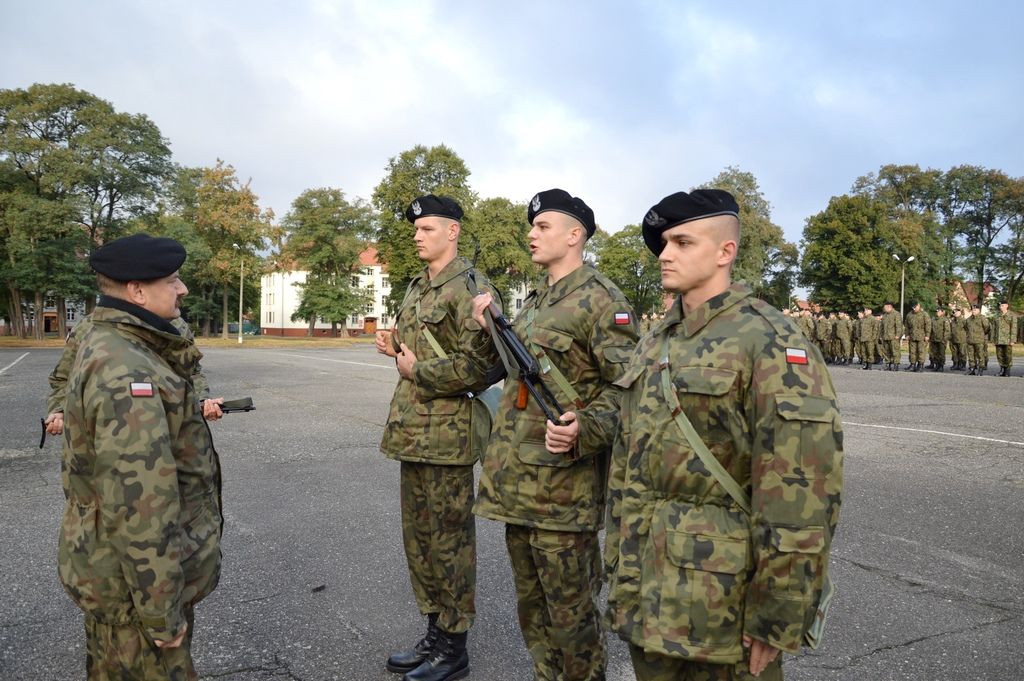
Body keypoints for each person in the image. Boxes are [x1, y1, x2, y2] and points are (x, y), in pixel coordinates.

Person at [605, 189, 843, 680]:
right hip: (647, 591)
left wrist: (778, 613)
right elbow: (630, 465)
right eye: (664, 243)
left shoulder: (770, 340)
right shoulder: (656, 341)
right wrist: (619, 566)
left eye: (682, 242)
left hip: (720, 609)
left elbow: (802, 494)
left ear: (724, 252)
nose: (665, 254)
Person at [471, 188, 638, 681]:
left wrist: (586, 428)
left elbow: (629, 390)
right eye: (532, 226)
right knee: (534, 610)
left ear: (575, 235)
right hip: (518, 486)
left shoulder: (603, 300)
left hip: (565, 494)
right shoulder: (535, 301)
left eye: (543, 226)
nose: (531, 233)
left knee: (574, 617)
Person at [58, 233, 223, 680]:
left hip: (115, 577)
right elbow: (140, 506)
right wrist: (161, 611)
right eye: (172, 280)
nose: (183, 289)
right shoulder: (128, 370)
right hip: (133, 592)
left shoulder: (116, 341)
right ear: (136, 291)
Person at [376, 195, 500, 681]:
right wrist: (395, 349)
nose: (417, 236)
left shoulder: (469, 288)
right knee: (420, 542)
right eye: (416, 229)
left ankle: (454, 648)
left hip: (447, 438)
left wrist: (418, 368)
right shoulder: (417, 287)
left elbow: (483, 367)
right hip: (412, 432)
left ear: (453, 232)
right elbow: (420, 354)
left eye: (427, 228)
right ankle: (433, 635)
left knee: (450, 545)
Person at [45, 315, 223, 438]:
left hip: (170, 433)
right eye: (170, 281)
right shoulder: (91, 326)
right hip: (108, 436)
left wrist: (202, 399)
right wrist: (60, 410)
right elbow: (63, 377)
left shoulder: (176, 326)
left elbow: (192, 372)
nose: (181, 290)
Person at [992, 301, 1017, 377]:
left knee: (1007, 355)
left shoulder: (1012, 315)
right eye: (1000, 306)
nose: (1001, 307)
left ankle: (1007, 370)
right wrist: (993, 339)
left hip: (1007, 339)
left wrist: (1013, 339)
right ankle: (1002, 369)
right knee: (999, 355)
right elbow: (994, 328)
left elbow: (1014, 328)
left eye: (1002, 305)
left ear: (1007, 306)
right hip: (998, 339)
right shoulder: (997, 316)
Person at [964, 305, 991, 375]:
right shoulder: (968, 319)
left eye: (975, 310)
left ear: (979, 310)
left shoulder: (982, 318)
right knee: (971, 355)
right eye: (972, 310)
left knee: (980, 355)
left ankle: (981, 368)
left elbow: (987, 328)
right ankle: (972, 368)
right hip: (970, 340)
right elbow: (966, 328)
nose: (973, 311)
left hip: (979, 340)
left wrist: (981, 335)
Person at [904, 302, 929, 372]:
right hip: (912, 336)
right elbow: (907, 326)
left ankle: (920, 365)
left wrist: (927, 335)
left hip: (922, 336)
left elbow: (928, 325)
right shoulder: (909, 314)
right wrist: (907, 334)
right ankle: (912, 364)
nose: (914, 309)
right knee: (912, 351)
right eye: (913, 307)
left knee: (921, 351)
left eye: (915, 307)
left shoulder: (924, 314)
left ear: (919, 305)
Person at [880, 303, 903, 371]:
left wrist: (898, 335)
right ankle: (888, 364)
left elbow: (899, 325)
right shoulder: (885, 315)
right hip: (885, 336)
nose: (884, 309)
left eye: (885, 308)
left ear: (889, 307)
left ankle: (896, 365)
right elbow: (882, 327)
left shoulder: (896, 314)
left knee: (895, 351)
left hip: (893, 337)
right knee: (886, 351)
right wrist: (881, 336)